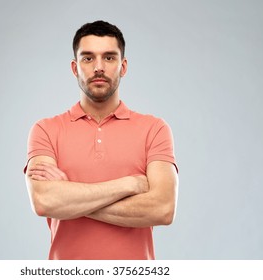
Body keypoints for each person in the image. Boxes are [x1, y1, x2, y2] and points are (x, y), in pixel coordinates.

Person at [24, 20, 178, 260]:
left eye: (109, 58)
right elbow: (45, 202)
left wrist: (71, 198)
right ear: (75, 68)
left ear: (123, 66)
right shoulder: (45, 130)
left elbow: (163, 209)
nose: (98, 67)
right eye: (88, 58)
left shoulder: (154, 129)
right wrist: (130, 185)